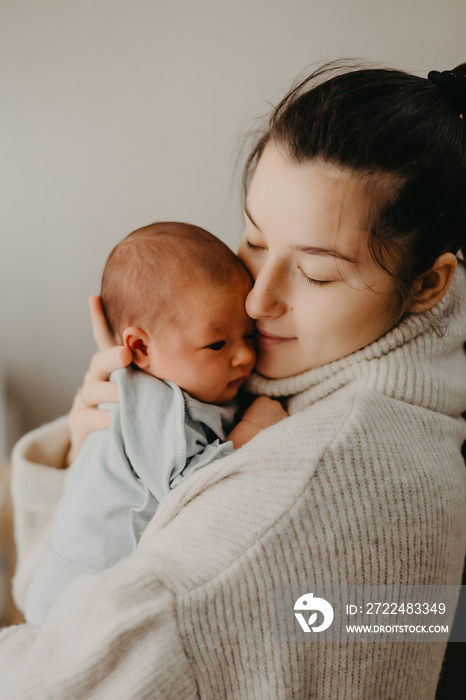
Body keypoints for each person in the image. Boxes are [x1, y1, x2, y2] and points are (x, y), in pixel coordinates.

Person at [2, 60, 466, 699]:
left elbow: (43, 677)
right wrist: (92, 455)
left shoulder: (304, 483)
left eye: (317, 274)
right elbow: (409, 619)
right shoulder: (391, 382)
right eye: (253, 239)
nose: (255, 302)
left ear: (429, 283)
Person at [23, 221, 287, 626]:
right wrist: (253, 429)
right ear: (141, 347)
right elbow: (192, 494)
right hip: (78, 594)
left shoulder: (190, 384)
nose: (244, 358)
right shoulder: (154, 402)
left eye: (248, 336)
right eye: (217, 344)